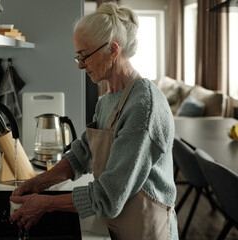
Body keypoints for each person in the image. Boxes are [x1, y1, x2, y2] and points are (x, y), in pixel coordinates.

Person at [9, 2, 178, 239]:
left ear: (113, 50)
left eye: (85, 55)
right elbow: (81, 155)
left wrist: (45, 203)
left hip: (147, 228)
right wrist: (39, 182)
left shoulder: (144, 108)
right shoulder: (108, 99)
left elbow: (109, 197)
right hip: (117, 223)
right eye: (77, 56)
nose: (80, 65)